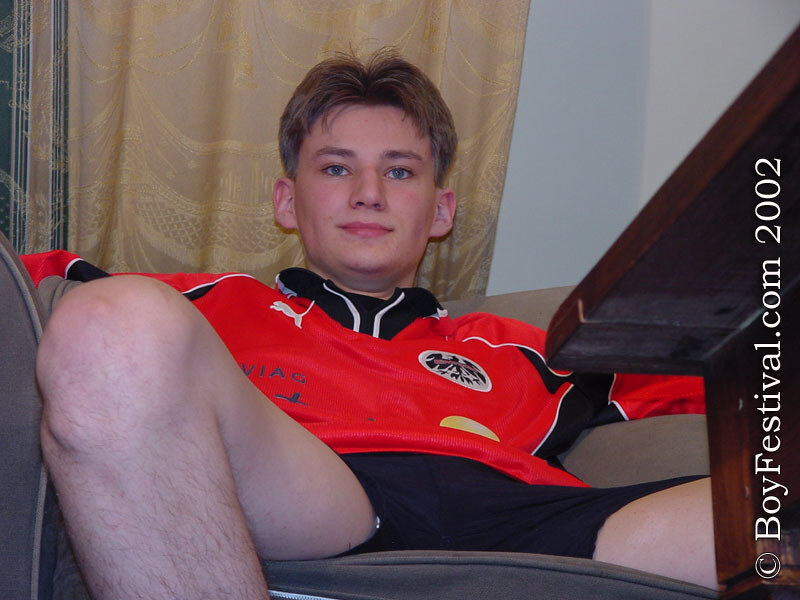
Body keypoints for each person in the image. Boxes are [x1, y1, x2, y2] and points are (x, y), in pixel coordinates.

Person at [33, 49, 717, 599]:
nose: (368, 194)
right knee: (107, 324)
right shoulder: (212, 305)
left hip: (528, 520)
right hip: (324, 499)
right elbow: (32, 282)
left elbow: (733, 376)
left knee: (764, 509)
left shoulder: (526, 346)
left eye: (400, 171)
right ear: (286, 201)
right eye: (337, 168)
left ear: (441, 211)